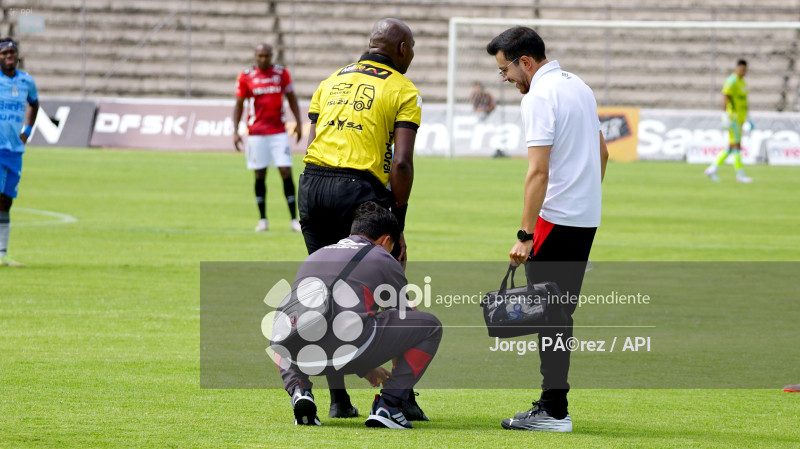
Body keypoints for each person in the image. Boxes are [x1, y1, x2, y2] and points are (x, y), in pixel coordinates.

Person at [298, 18, 422, 418]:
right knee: (387, 289)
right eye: (413, 50)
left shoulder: (330, 80)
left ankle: (338, 400)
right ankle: (399, 398)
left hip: (312, 185)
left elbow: (314, 138)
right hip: (357, 190)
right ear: (402, 49)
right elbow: (401, 163)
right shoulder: (402, 88)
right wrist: (396, 222)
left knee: (325, 289)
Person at [487, 26, 608, 432]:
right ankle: (553, 404)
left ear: (526, 62)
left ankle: (554, 410)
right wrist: (583, 200)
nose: (504, 79)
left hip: (554, 218)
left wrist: (525, 235)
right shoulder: (580, 86)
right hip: (584, 216)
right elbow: (602, 152)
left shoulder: (539, 95)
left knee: (550, 314)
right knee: (559, 312)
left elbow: (537, 172)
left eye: (505, 70)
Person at [275, 201, 442, 428]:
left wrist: (364, 368)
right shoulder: (382, 257)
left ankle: (300, 391)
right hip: (351, 349)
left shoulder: (315, 256)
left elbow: (319, 318)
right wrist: (369, 364)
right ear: (386, 240)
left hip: (302, 356)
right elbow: (401, 316)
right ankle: (389, 405)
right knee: (429, 326)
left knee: (282, 332)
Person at [233, 43, 303, 232]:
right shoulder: (246, 76)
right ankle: (263, 219)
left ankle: (293, 219)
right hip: (256, 133)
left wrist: (298, 121)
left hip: (278, 132)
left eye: (266, 55)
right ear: (255, 56)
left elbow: (292, 98)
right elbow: (239, 104)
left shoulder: (281, 74)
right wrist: (235, 130)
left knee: (286, 172)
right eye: (260, 55)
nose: (263, 59)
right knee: (259, 174)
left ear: (272, 56)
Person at [0, 38, 38, 267]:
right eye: (4, 53)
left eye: (12, 53)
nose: (9, 57)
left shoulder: (26, 81)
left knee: (6, 201)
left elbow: (34, 103)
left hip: (15, 150)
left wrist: (27, 130)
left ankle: (2, 254)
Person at [705, 59, 753, 183]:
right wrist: (725, 114)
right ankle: (740, 174)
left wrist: (748, 117)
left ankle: (712, 169)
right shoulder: (731, 81)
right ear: (736, 68)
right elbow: (725, 97)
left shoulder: (743, 83)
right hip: (733, 118)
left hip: (741, 118)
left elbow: (744, 101)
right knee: (736, 146)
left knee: (731, 147)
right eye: (741, 69)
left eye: (745, 70)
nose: (743, 72)